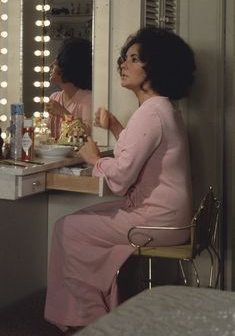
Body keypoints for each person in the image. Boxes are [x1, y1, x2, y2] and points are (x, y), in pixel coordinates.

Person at [44, 26, 196, 332]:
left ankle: (90, 319)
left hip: (158, 221)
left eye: (134, 59)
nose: (123, 65)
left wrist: (94, 159)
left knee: (67, 228)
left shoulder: (152, 112)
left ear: (156, 66)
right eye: (124, 58)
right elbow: (140, 152)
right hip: (166, 216)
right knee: (80, 219)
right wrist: (114, 127)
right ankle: (103, 307)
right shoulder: (161, 108)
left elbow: (122, 178)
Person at [45, 37, 92, 140]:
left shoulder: (88, 99)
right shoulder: (55, 97)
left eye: (58, 61)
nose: (52, 65)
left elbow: (87, 135)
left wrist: (63, 113)